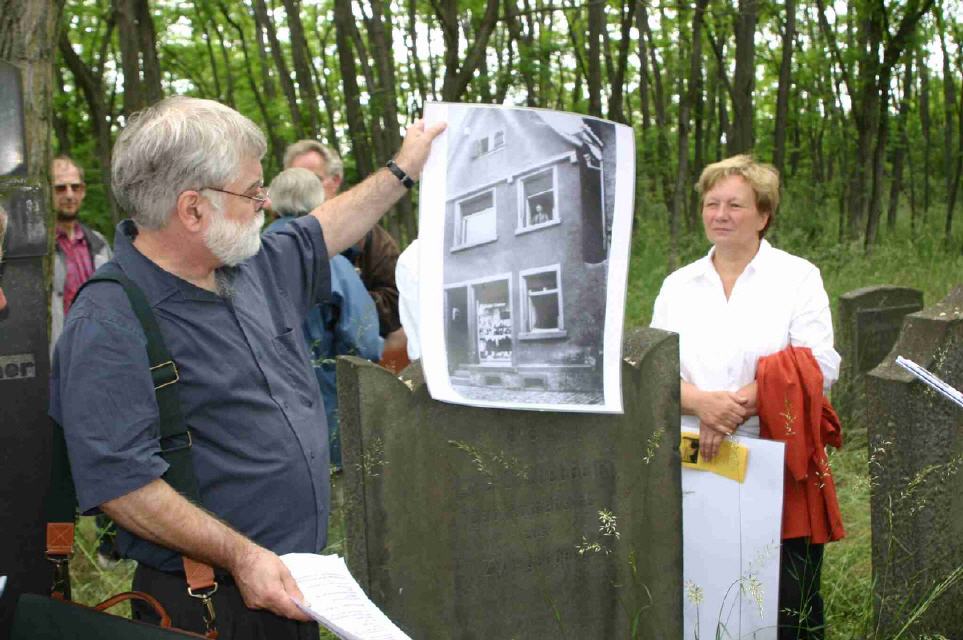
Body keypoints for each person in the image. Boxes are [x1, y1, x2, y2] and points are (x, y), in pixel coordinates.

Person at [50, 96, 443, 638]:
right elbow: (123, 484)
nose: (265, 201)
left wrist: (405, 167)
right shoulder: (109, 321)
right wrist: (241, 555)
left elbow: (328, 225)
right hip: (206, 604)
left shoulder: (250, 263)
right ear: (192, 210)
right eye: (252, 190)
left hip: (290, 585)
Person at [650, 155, 842, 640]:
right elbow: (653, 370)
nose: (720, 214)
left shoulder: (797, 277)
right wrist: (701, 405)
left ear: (763, 214)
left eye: (735, 204)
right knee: (704, 585)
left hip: (777, 454)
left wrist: (733, 406)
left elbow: (820, 363)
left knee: (787, 595)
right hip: (697, 452)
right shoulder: (678, 286)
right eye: (711, 203)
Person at [265, 167, 383, 471]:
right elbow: (365, 340)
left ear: (274, 202)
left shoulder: (244, 258)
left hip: (265, 409)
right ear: (319, 202)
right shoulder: (329, 260)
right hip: (325, 402)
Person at [284, 141, 405, 345]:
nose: (301, 190)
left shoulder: (367, 235)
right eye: (295, 181)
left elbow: (397, 301)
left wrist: (344, 303)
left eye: (312, 180)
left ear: (335, 180)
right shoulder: (277, 239)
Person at [50, 155, 112, 354]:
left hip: (99, 353)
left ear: (83, 191)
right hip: (58, 357)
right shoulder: (39, 249)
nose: (69, 195)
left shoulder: (99, 244)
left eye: (75, 187)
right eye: (60, 188)